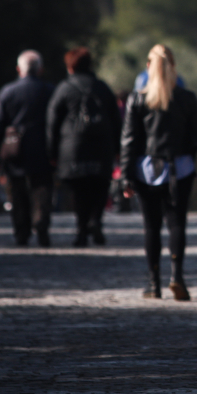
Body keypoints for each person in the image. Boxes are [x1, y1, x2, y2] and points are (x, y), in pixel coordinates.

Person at [120, 44, 197, 299]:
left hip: (147, 169)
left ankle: (153, 282)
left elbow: (129, 139)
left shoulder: (137, 99)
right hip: (179, 168)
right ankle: (177, 276)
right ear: (173, 66)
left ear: (148, 66)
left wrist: (125, 175)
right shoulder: (187, 97)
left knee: (151, 226)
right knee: (177, 223)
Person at [47, 48, 122, 247]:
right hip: (102, 145)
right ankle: (95, 220)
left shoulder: (64, 88)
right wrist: (118, 149)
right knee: (99, 186)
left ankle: (81, 230)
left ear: (70, 66)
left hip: (73, 147)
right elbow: (116, 120)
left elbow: (52, 122)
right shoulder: (102, 88)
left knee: (78, 190)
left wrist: (52, 151)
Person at [0, 51, 54, 245]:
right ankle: (41, 222)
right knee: (41, 188)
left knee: (16, 191)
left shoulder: (7, 92)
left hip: (14, 148)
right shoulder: (50, 90)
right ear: (40, 69)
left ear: (19, 69)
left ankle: (21, 231)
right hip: (43, 147)